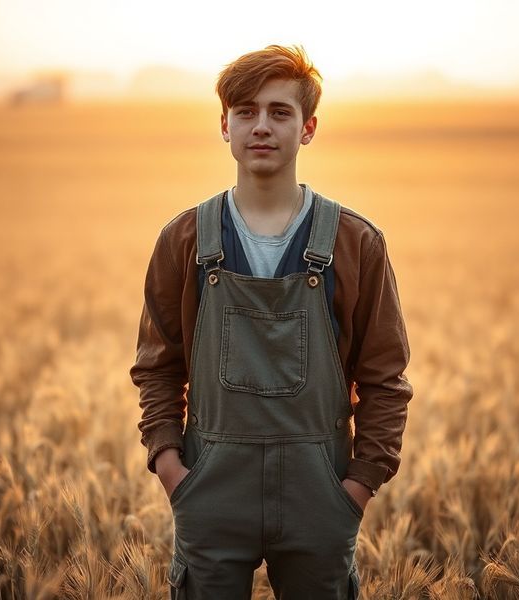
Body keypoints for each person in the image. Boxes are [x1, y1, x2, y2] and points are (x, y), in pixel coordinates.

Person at [130, 44, 413, 600]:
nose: (262, 126)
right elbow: (157, 368)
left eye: (280, 112)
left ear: (308, 128)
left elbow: (385, 380)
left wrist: (356, 488)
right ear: (225, 125)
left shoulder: (357, 243)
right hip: (209, 491)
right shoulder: (185, 239)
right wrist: (172, 470)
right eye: (246, 111)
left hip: (321, 495)